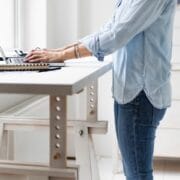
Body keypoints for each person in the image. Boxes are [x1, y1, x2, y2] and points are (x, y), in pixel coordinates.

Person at [26, 0, 177, 179]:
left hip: (141, 94)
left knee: (137, 174)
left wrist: (60, 55)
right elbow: (109, 29)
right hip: (130, 92)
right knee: (134, 171)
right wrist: (57, 51)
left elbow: (116, 35)